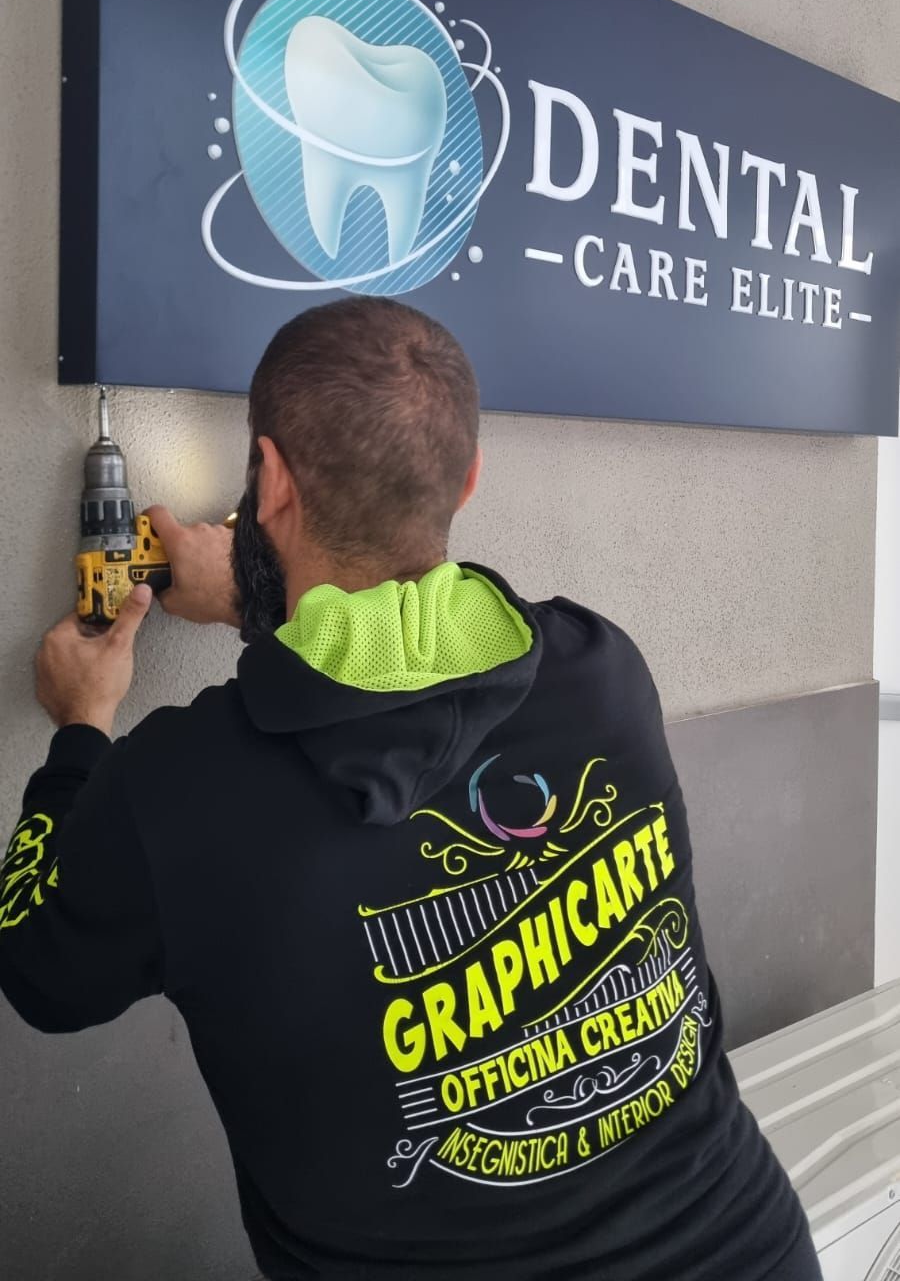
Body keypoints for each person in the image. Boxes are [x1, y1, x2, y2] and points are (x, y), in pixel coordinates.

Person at [0, 297, 821, 1281]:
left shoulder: (177, 789)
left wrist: (80, 731)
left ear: (271, 481)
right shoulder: (599, 669)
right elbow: (401, 686)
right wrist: (264, 598)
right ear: (468, 478)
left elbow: (42, 970)